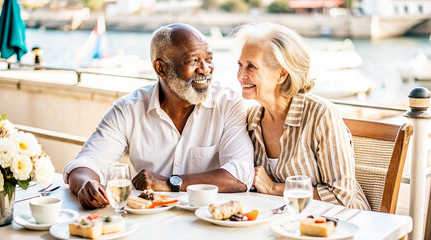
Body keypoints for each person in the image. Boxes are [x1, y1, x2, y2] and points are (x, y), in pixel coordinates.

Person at [64, 23, 254, 209]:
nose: (205, 69)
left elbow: (240, 174)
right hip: (149, 220)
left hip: (210, 219)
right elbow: (87, 163)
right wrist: (85, 185)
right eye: (193, 61)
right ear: (161, 68)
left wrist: (170, 182)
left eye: (209, 59)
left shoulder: (228, 104)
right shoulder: (129, 109)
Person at [234, 23, 370, 210]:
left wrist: (275, 188)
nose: (241, 75)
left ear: (281, 74)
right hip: (287, 222)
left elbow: (340, 197)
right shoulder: (251, 119)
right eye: (240, 64)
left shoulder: (321, 114)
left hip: (341, 224)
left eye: (251, 67)